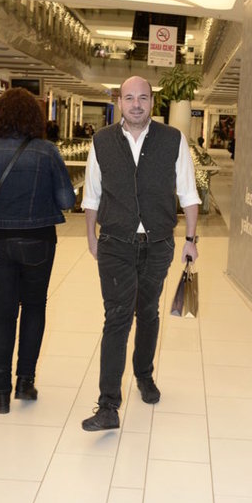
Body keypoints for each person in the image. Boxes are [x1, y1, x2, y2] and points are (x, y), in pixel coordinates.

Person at [81, 75, 200, 432]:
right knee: (117, 317)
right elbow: (92, 195)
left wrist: (190, 239)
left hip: (158, 244)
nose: (136, 104)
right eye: (129, 98)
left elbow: (188, 193)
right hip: (115, 242)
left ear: (152, 102)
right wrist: (91, 236)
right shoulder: (102, 141)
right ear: (119, 102)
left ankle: (144, 375)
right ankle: (108, 405)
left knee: (147, 312)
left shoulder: (172, 140)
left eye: (143, 98)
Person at [0, 88, 76, 415]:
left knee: (2, 313)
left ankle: (0, 392)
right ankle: (25, 382)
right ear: (33, 119)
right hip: (39, 240)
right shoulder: (47, 152)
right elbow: (67, 200)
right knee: (34, 307)